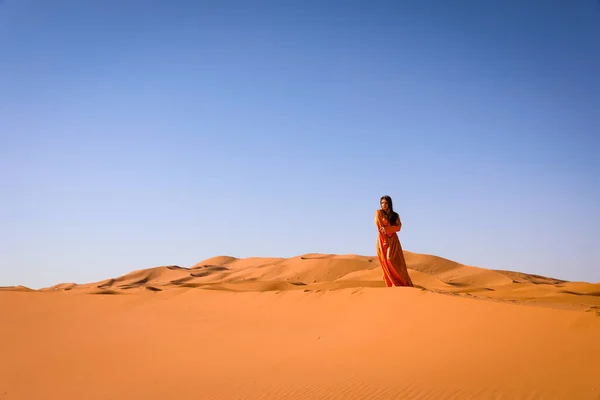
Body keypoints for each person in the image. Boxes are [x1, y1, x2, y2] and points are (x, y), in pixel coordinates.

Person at [375, 195, 414, 287]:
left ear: (389, 204)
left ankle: (402, 283)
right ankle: (391, 283)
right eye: (382, 203)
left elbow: (398, 227)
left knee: (393, 260)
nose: (383, 205)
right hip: (382, 239)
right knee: (386, 260)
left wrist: (388, 229)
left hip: (394, 240)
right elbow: (380, 227)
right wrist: (385, 239)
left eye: (386, 203)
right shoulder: (378, 213)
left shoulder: (395, 215)